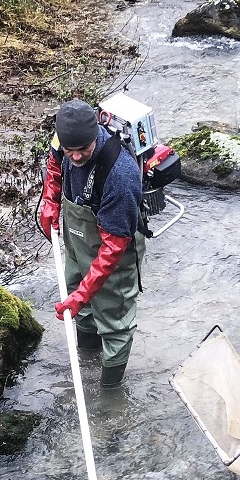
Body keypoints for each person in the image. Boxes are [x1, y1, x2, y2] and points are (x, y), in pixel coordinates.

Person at [37, 100, 146, 389]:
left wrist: (84, 294)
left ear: (95, 136)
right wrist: (50, 200)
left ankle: (110, 395)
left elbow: (113, 248)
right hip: (78, 235)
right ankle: (87, 358)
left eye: (82, 150)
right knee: (79, 307)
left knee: (114, 323)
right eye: (69, 150)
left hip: (114, 248)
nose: (74, 156)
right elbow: (55, 163)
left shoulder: (120, 175)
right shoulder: (65, 139)